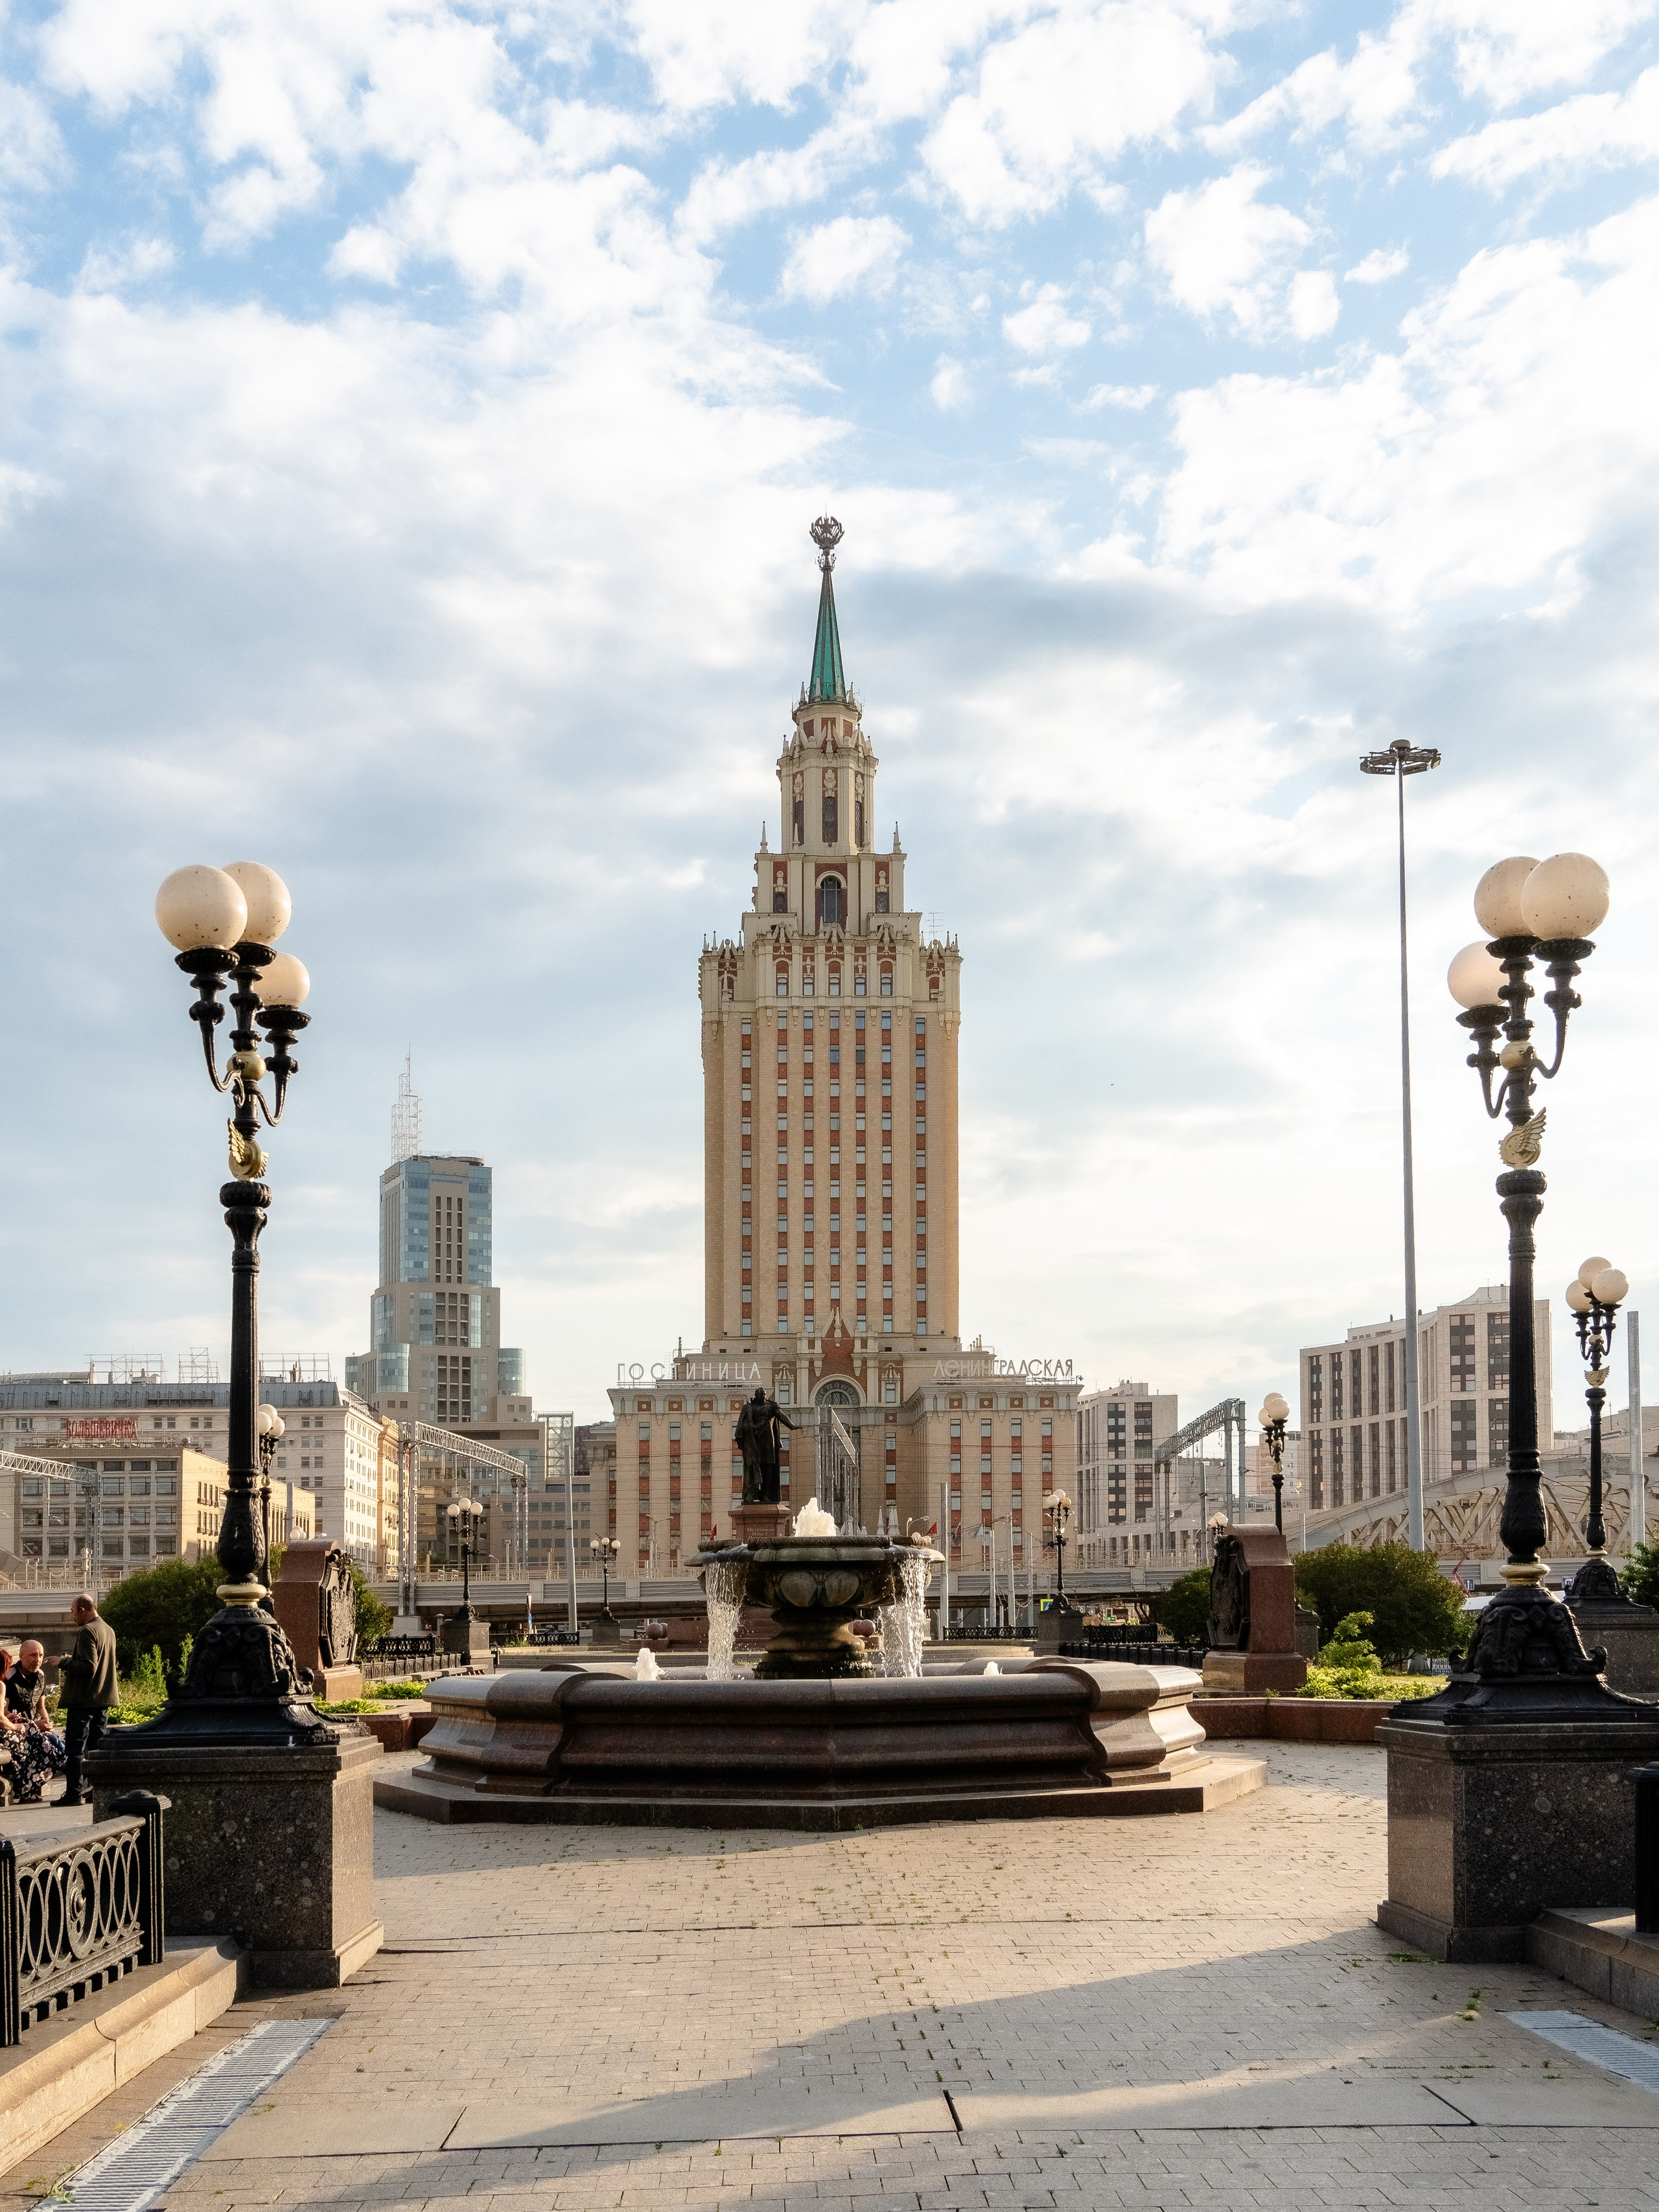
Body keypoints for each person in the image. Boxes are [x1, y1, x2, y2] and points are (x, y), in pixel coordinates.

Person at [43, 1594, 117, 1806]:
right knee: (95, 1748)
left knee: (75, 1749)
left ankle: (74, 1794)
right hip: (103, 1698)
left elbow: (88, 1666)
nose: (72, 1615)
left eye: (73, 1611)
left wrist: (63, 1662)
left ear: (83, 1610)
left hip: (84, 1700)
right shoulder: (108, 1630)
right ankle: (95, 1791)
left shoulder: (88, 1631)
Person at [1, 1639, 67, 1804]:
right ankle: (77, 1771)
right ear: (21, 1656)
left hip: (29, 1727)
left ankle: (76, 1772)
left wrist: (47, 1721)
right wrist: (29, 1726)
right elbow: (3, 1714)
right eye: (32, 1655)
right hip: (18, 1728)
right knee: (49, 1744)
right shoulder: (8, 1679)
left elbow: (41, 1707)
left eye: (40, 1655)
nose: (37, 1659)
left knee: (53, 1739)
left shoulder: (41, 1677)